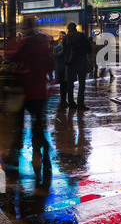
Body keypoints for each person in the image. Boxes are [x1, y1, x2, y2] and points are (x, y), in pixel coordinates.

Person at [6, 17, 53, 175]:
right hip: (40, 88)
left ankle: (16, 149)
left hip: (27, 89)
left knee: (20, 120)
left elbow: (13, 56)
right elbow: (49, 62)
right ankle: (40, 145)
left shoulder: (26, 42)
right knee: (39, 119)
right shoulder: (42, 41)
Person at [63, 22, 92, 110]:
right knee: (82, 83)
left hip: (70, 62)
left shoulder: (66, 37)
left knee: (70, 84)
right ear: (76, 28)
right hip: (81, 61)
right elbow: (89, 49)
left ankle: (71, 103)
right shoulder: (81, 36)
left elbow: (64, 50)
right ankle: (80, 104)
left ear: (68, 28)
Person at [53, 31, 68, 108]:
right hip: (61, 68)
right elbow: (55, 55)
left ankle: (64, 100)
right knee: (63, 85)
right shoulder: (57, 47)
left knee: (66, 85)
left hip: (65, 68)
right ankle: (63, 100)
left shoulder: (67, 47)